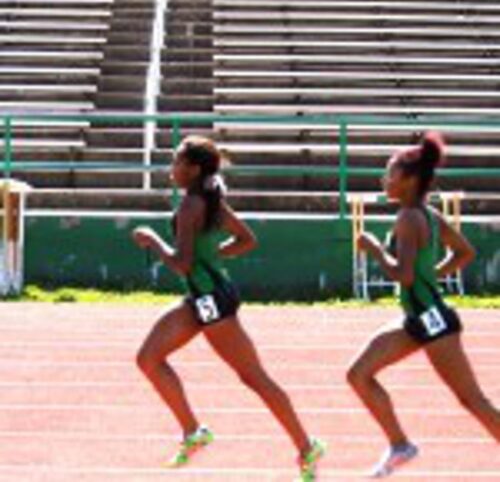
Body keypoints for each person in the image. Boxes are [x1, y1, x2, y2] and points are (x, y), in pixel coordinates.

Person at [132, 135, 325, 480]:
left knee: (254, 377)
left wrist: (153, 241)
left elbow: (183, 264)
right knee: (148, 358)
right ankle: (193, 431)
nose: (171, 167)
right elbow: (247, 240)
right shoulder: (211, 201)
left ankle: (307, 446)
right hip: (202, 299)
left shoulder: (193, 204)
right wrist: (215, 255)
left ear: (192, 169)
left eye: (176, 161)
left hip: (211, 301)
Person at [347, 132, 500, 478]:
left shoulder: (409, 218)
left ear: (411, 179)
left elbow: (403, 276)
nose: (384, 179)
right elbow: (465, 252)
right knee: (358, 374)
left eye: (390, 173)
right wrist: (432, 275)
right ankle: (400, 445)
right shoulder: (426, 215)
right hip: (418, 316)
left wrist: (374, 249)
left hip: (432, 319)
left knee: (473, 400)